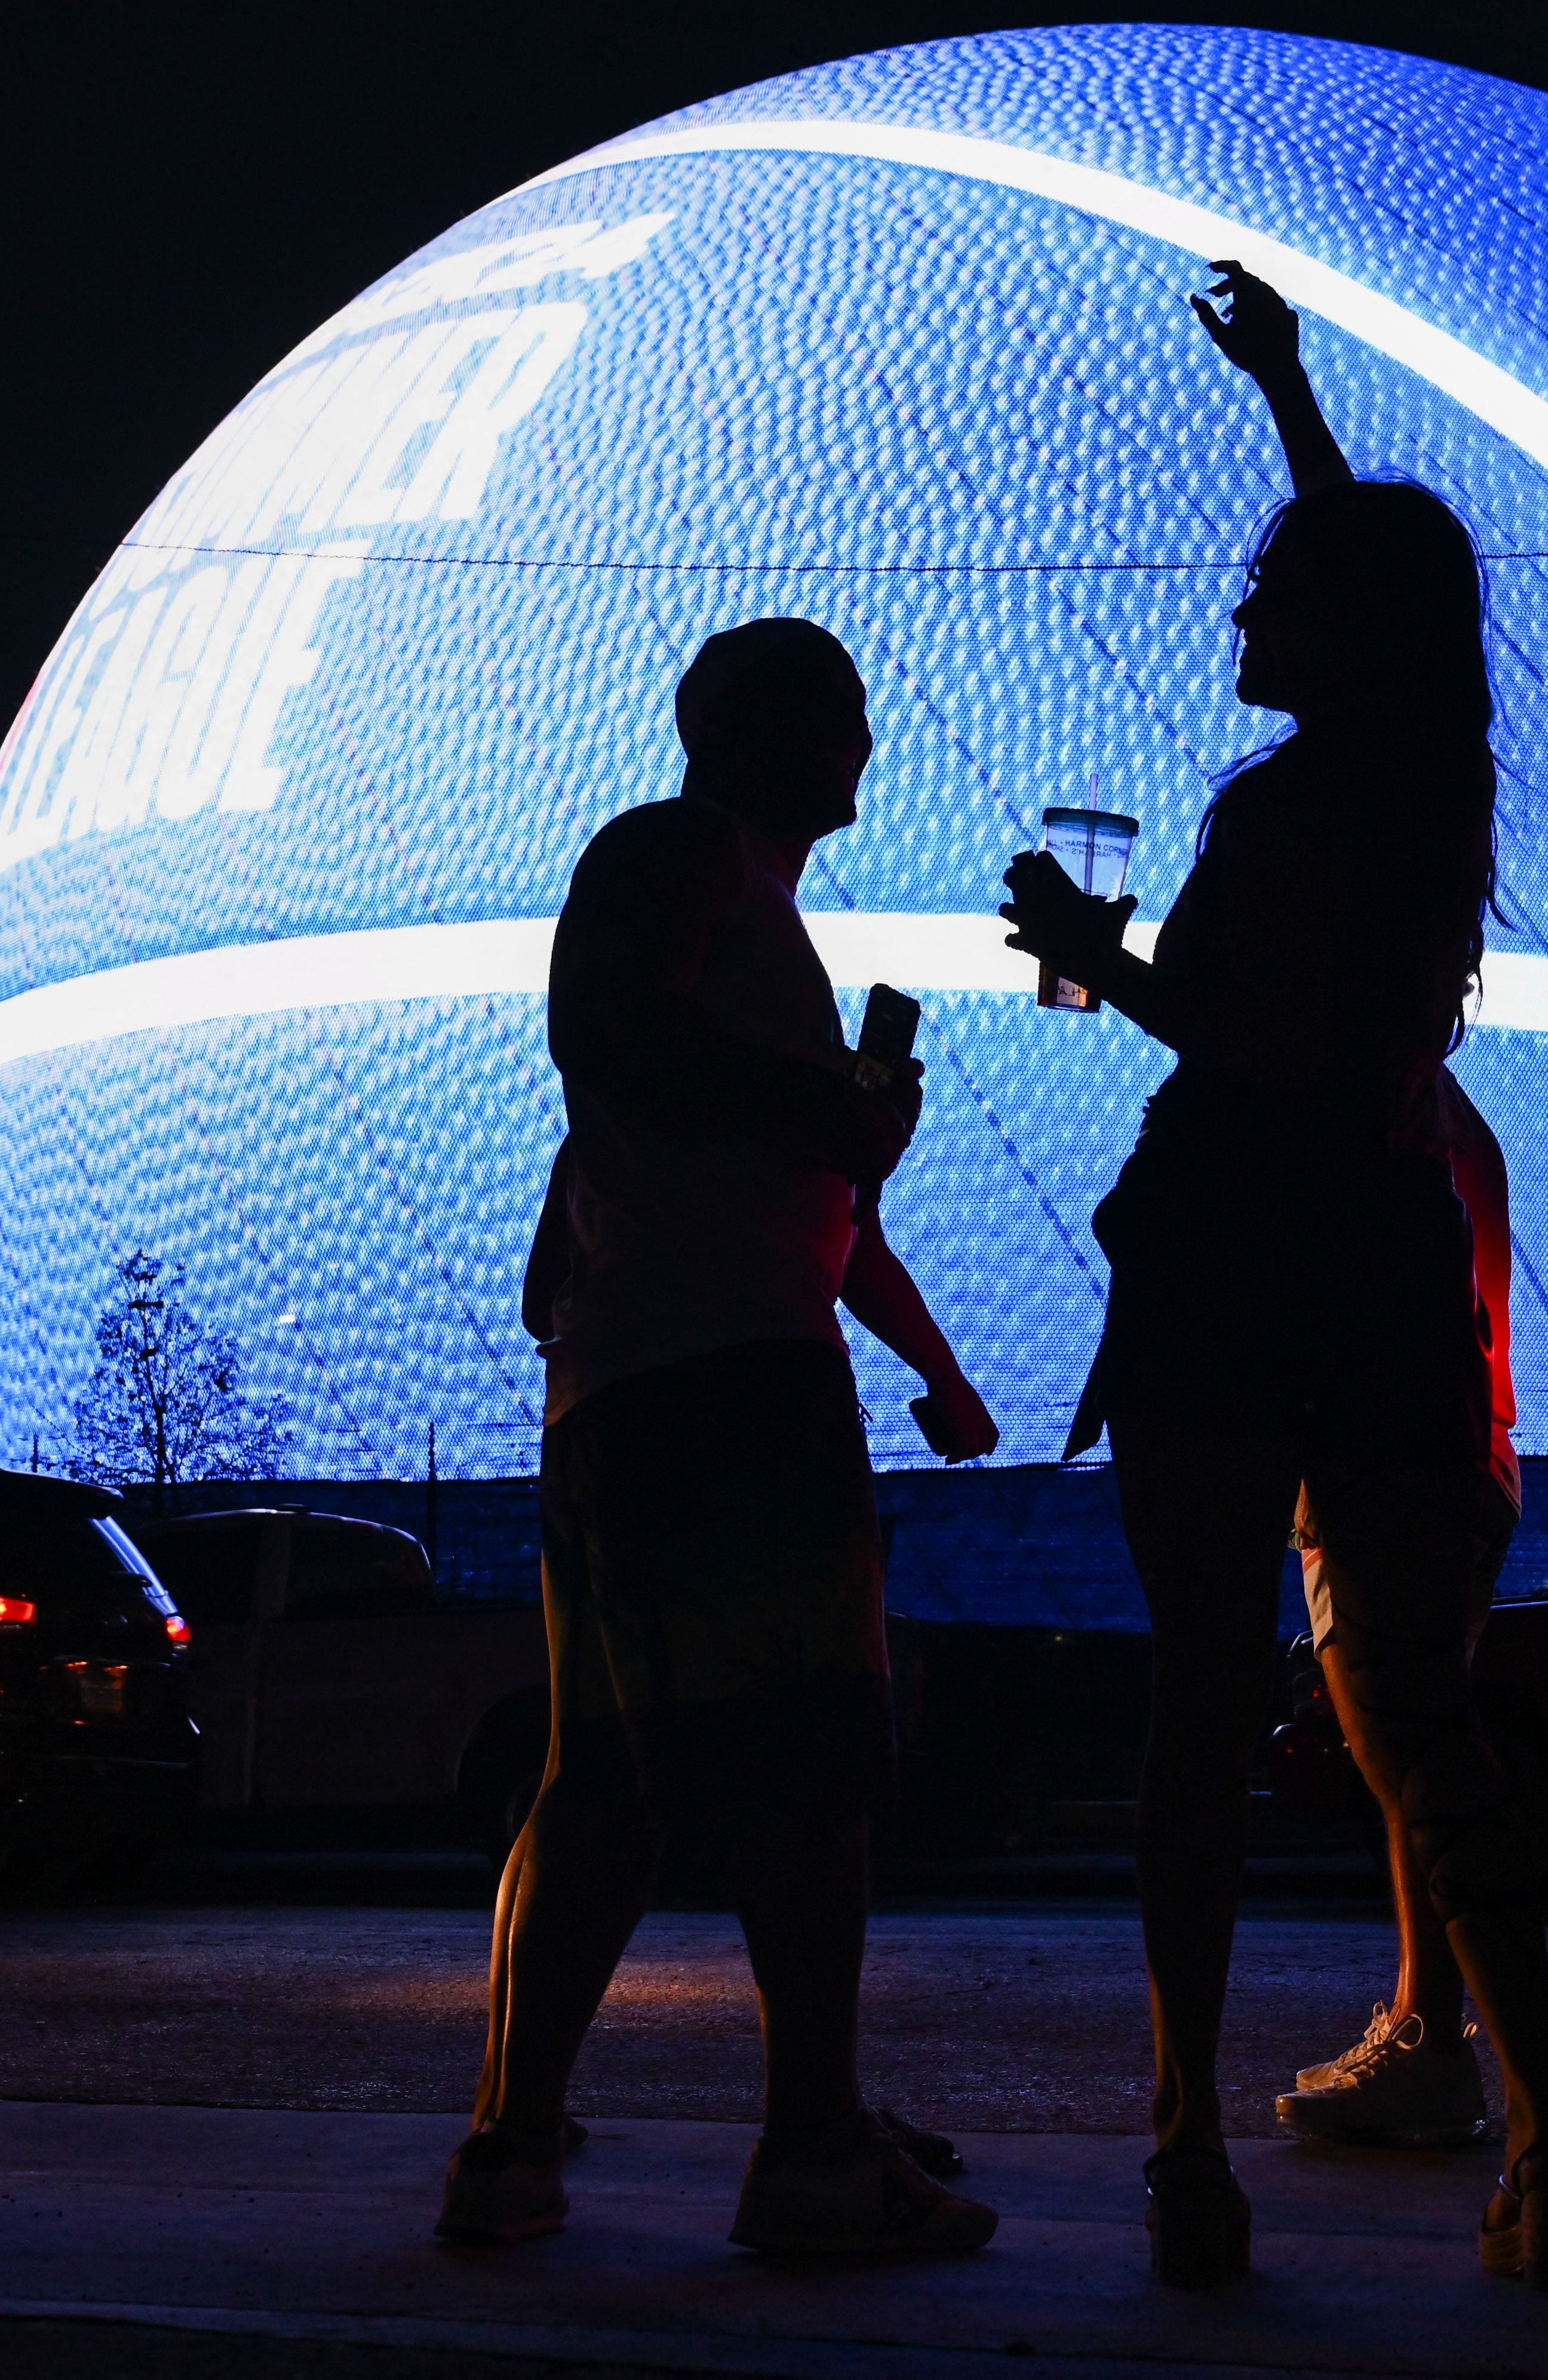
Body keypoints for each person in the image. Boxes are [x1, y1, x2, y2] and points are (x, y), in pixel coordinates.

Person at [999, 265, 1548, 2295]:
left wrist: (1096, 943)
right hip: (1385, 1264)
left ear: (1333, 625)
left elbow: (1252, 1049)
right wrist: (1289, 394)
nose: (1236, 616)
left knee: (1194, 1710)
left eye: (1264, 593)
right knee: (1422, 1721)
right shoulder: (1435, 774)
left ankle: (1182, 2148)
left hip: (1230, 1264)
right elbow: (1392, 592)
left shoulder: (1280, 805)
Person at [441, 616, 999, 2258]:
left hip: (640, 1386)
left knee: (605, 1777)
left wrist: (935, 1360)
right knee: (810, 1769)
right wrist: (827, 1106)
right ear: (765, 731)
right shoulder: (676, 856)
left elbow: (757, 1196)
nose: (869, 754)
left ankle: (513, 2143)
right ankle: (813, 2149)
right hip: (731, 1387)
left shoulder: (746, 912)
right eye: (847, 719)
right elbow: (606, 1031)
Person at [1275, 1067, 1519, 2151]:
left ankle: (1442, 2046)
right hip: (1449, 1455)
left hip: (1396, 1464)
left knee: (1413, 1766)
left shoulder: (1383, 1119)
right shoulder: (1437, 1111)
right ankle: (1427, 2021)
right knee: (1405, 1767)